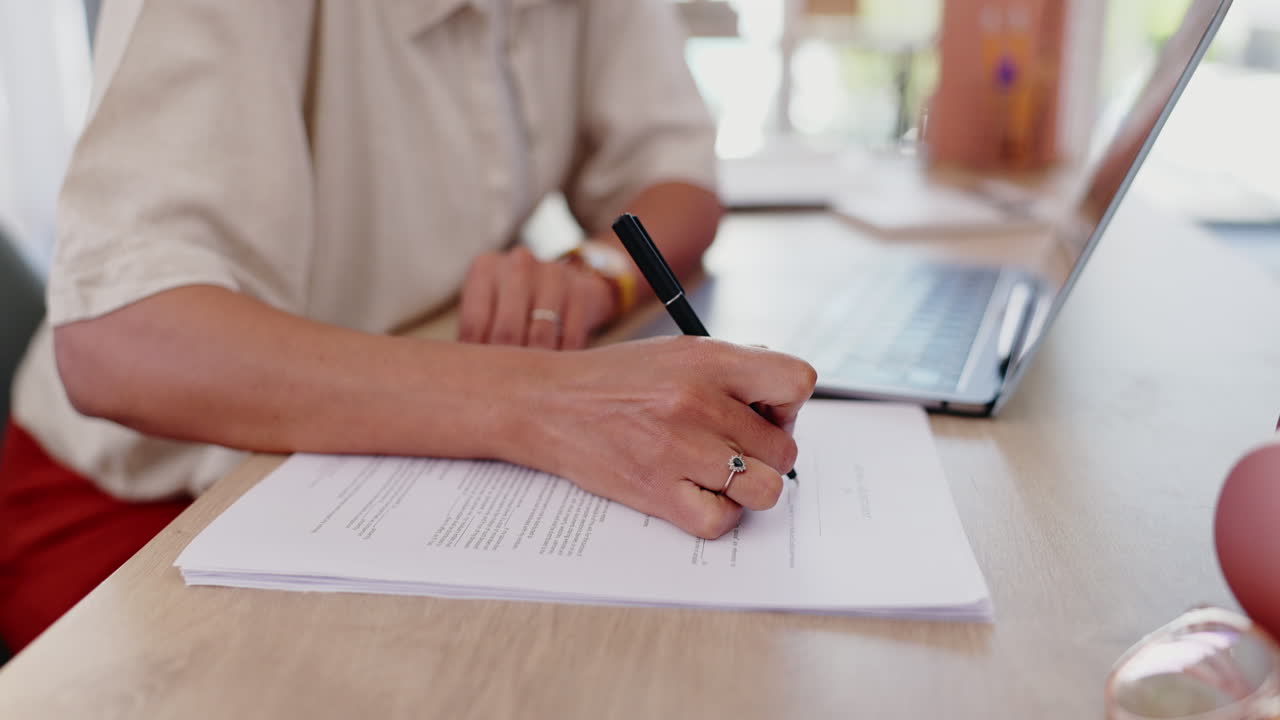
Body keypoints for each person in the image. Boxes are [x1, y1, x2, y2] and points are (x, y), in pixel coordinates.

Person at [0, 1, 816, 652]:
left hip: (399, 465)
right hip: (148, 504)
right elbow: (118, 343)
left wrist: (595, 276)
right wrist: (553, 402)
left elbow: (675, 178)